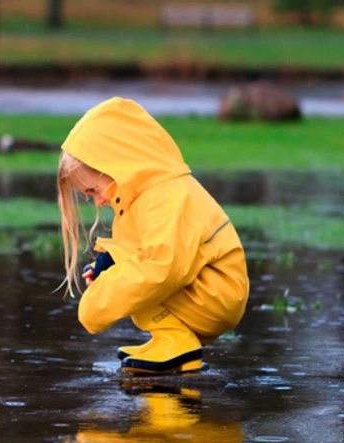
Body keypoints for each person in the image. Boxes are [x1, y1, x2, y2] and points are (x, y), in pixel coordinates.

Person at [57, 97, 249, 374]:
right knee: (133, 280)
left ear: (115, 166)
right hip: (204, 290)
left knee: (141, 284)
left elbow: (163, 268)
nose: (98, 202)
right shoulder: (142, 197)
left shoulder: (167, 197)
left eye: (94, 191)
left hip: (216, 296)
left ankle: (178, 344)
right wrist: (107, 265)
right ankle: (169, 339)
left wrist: (98, 302)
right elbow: (139, 248)